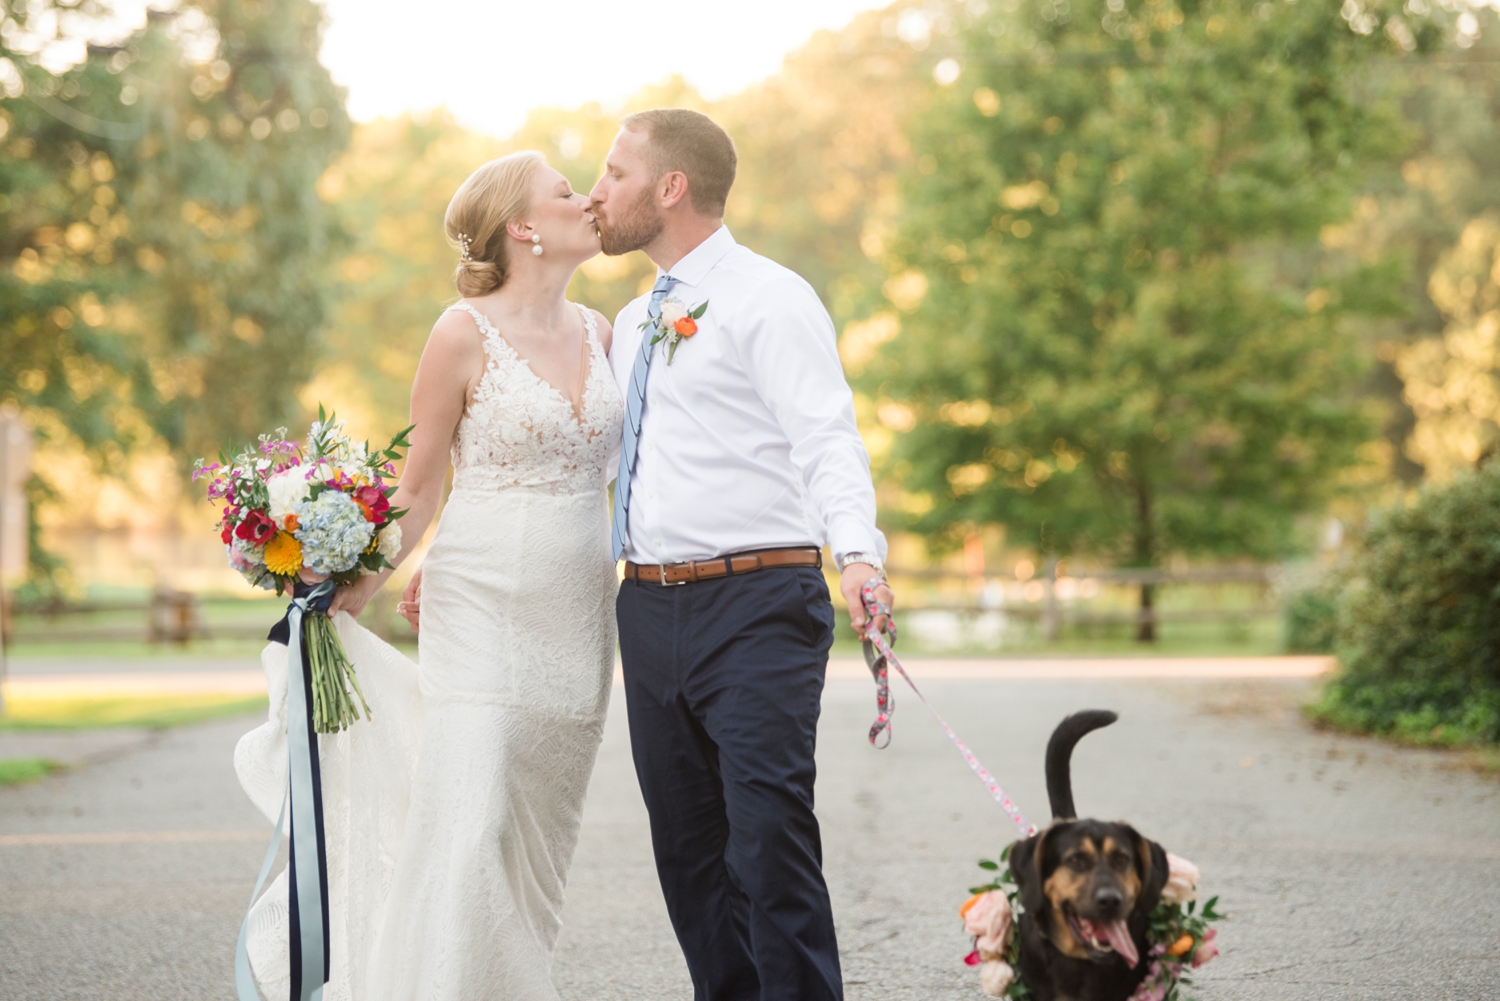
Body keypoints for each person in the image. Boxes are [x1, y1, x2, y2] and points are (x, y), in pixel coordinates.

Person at [233, 150, 622, 1001]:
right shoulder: (459, 332)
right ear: (522, 227)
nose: (588, 198)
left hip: (581, 618)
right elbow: (420, 485)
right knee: (471, 819)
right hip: (480, 603)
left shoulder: (604, 331)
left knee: (531, 845)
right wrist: (360, 583)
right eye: (565, 192)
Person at [589, 108, 895, 1001]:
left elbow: (827, 437)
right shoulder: (633, 314)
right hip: (646, 608)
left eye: (614, 173)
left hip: (758, 603)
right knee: (688, 858)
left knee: (767, 842)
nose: (598, 191)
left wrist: (860, 556)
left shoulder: (771, 295)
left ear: (670, 186)